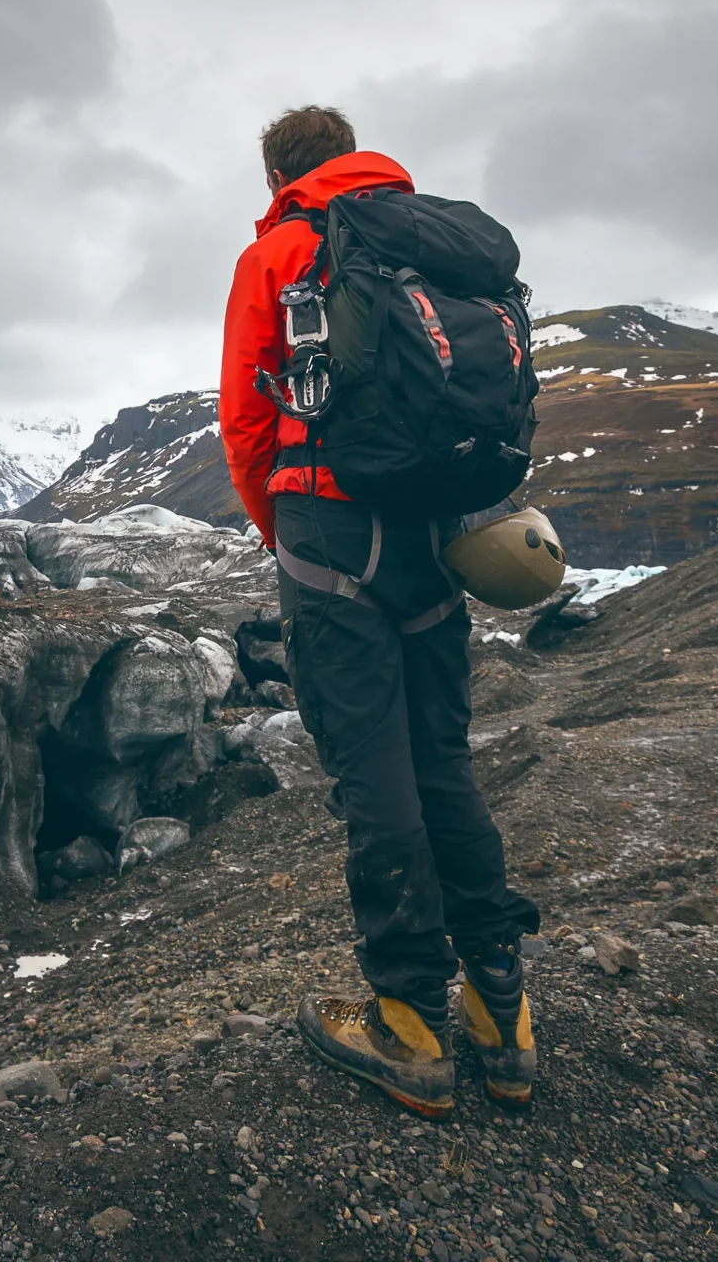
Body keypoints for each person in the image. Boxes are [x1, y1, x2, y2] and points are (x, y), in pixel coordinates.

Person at [217, 104, 541, 1118]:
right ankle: (502, 1014)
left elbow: (245, 419)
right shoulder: (439, 240)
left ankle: (408, 1020)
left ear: (278, 174)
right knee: (443, 758)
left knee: (374, 774)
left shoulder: (280, 251)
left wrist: (282, 529)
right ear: (355, 157)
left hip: (330, 526)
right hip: (436, 529)